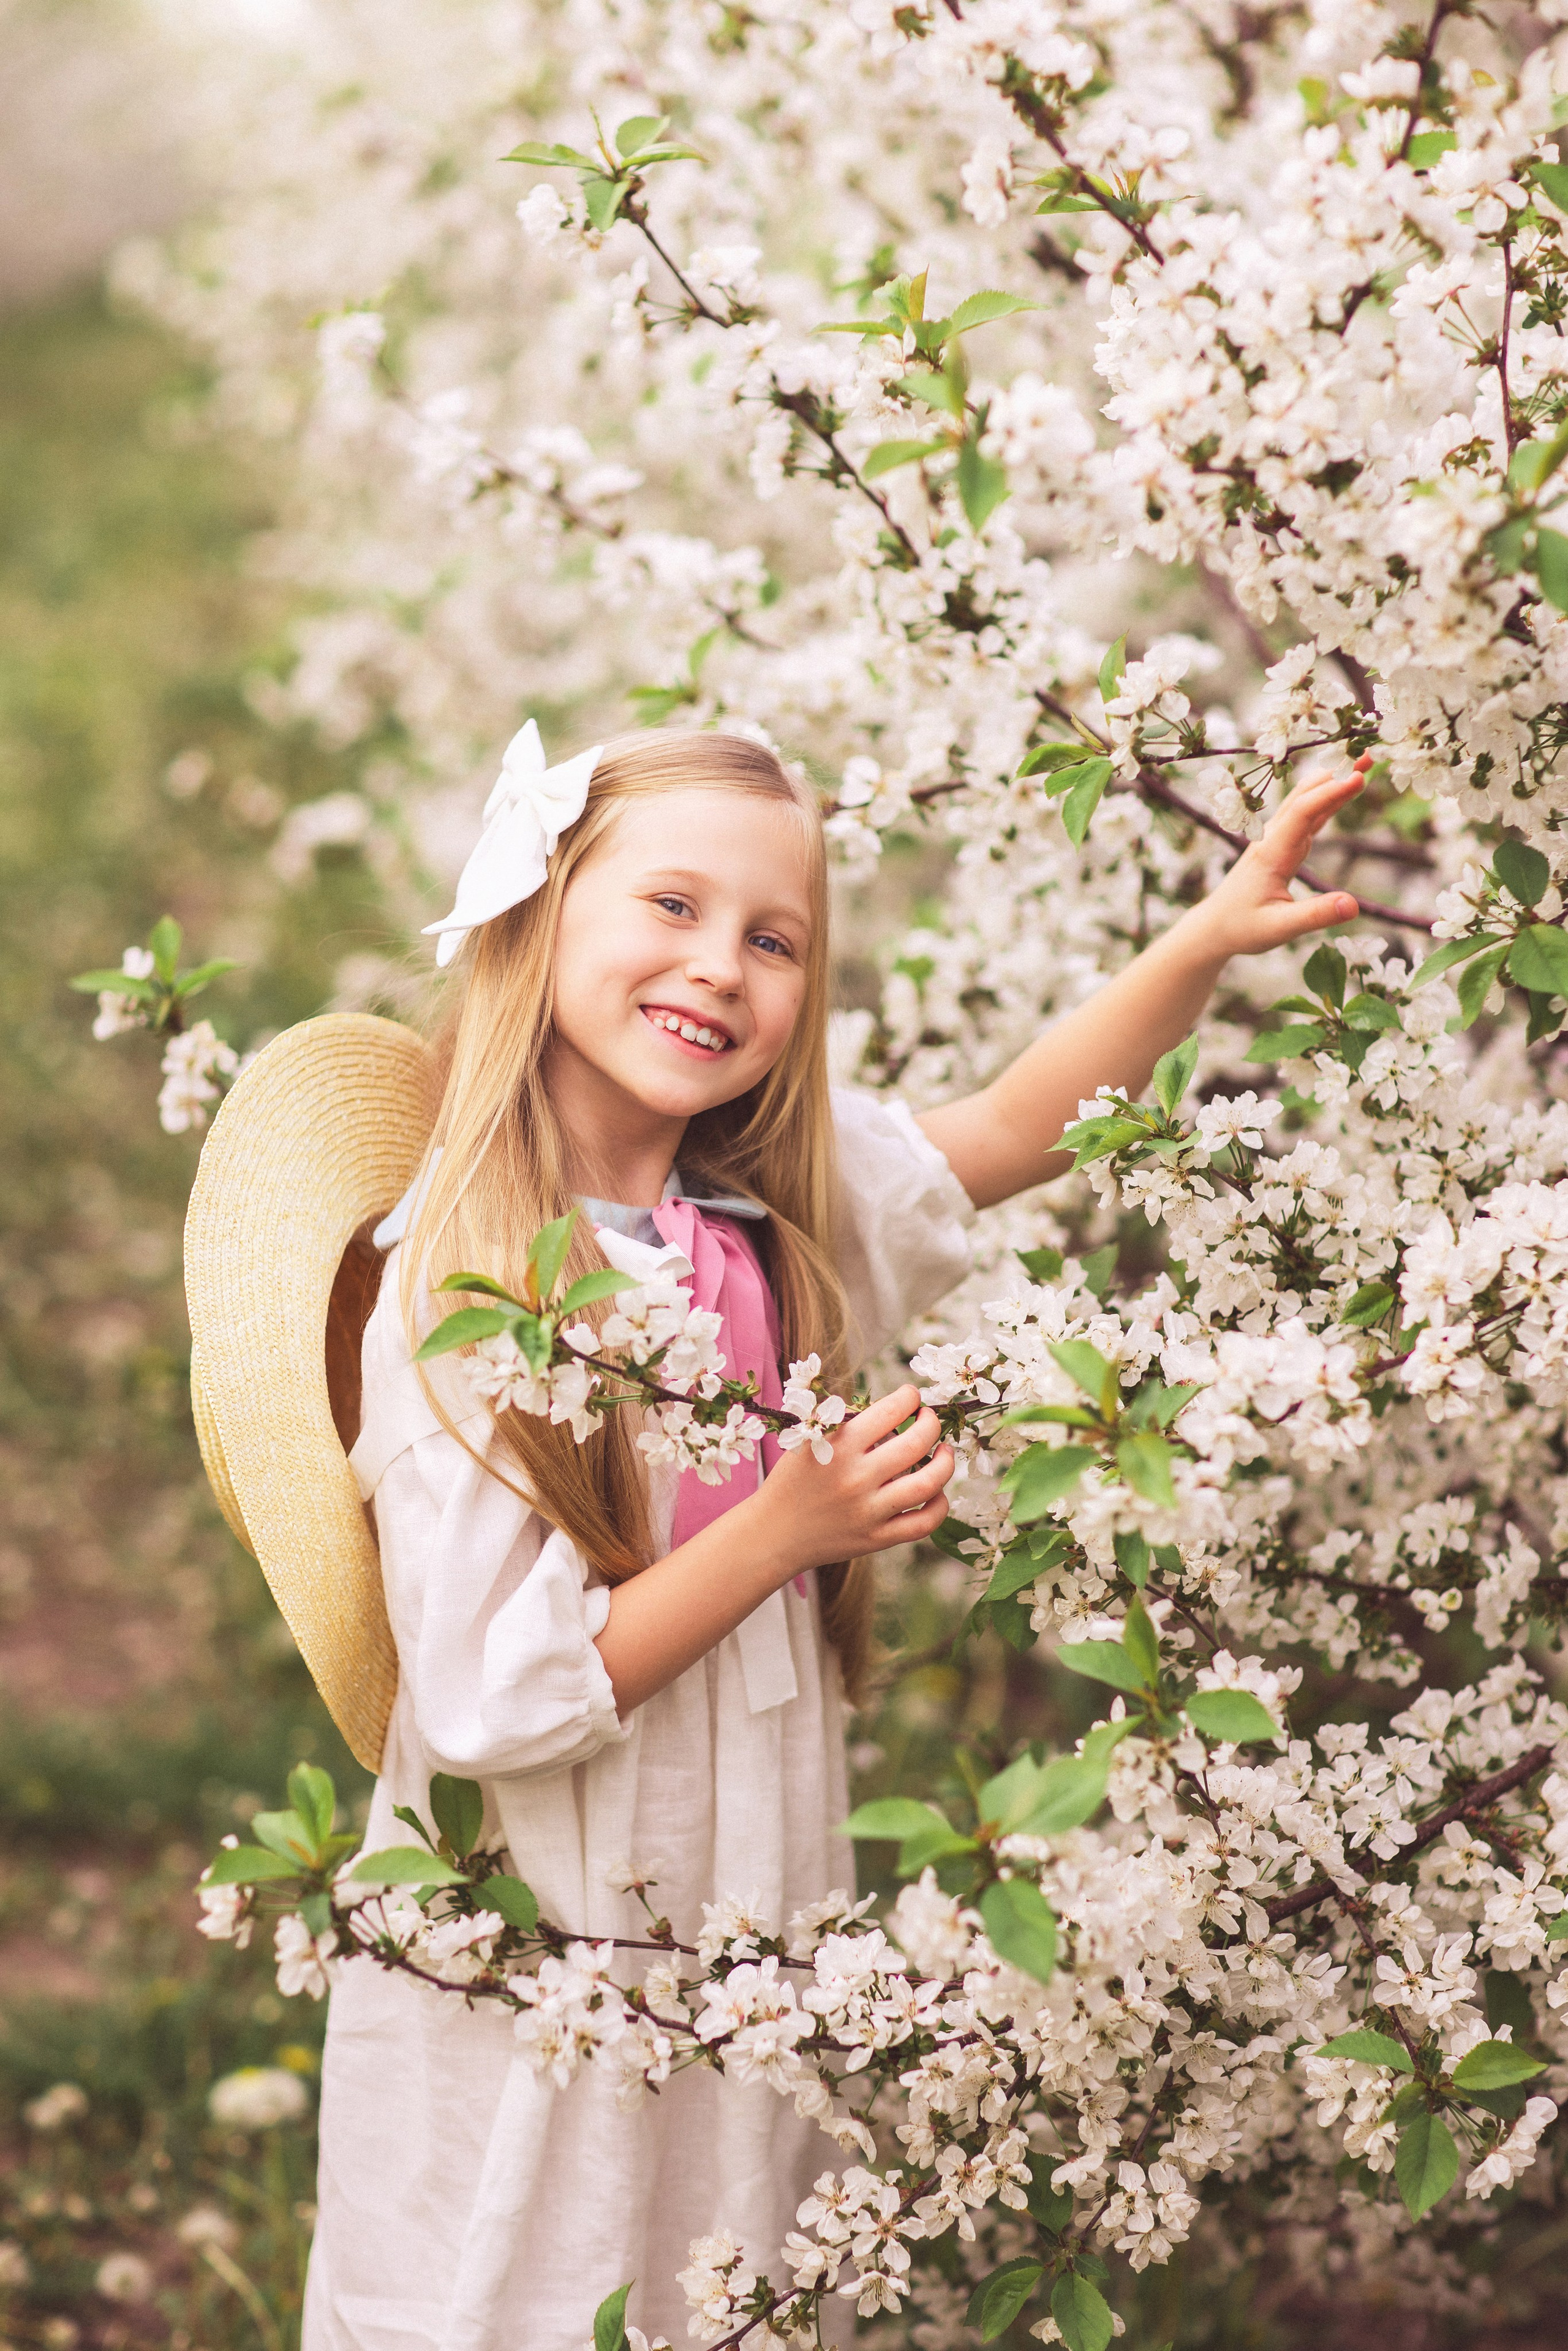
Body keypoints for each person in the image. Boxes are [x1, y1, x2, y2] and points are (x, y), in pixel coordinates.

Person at [303, 722, 1368, 2350]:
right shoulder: (469, 1284)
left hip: (746, 1870)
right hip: (553, 1906)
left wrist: (1207, 936)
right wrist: (780, 1528)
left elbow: (1014, 1125)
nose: (718, 966)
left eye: (772, 938)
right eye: (670, 906)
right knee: (531, 2245)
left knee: (725, 2233)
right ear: (540, 912)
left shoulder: (770, 1222)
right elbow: (483, 1703)